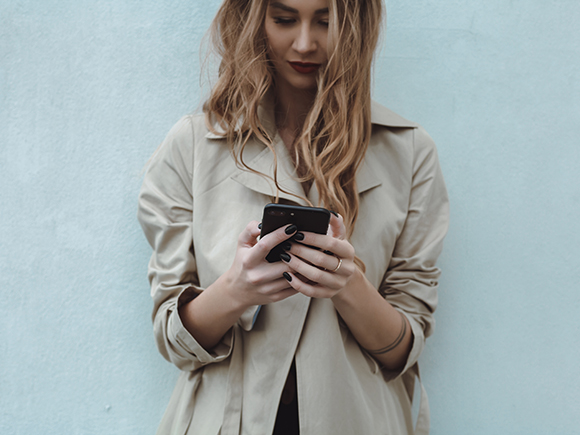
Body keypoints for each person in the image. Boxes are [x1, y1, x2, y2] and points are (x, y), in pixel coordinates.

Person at [137, 0, 449, 434]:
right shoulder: (192, 146)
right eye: (284, 19)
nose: (305, 43)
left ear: (355, 24)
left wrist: (348, 285)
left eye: (326, 21)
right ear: (254, 19)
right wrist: (236, 289)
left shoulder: (409, 153)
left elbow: (405, 348)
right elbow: (173, 339)